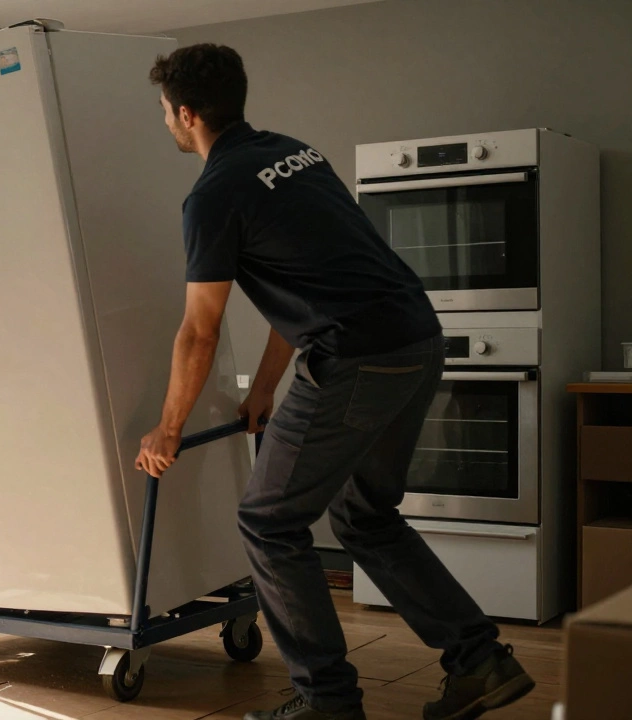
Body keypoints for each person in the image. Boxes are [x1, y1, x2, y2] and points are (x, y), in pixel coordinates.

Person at [135, 44, 534, 720]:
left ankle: (327, 703)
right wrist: (265, 388)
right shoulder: (295, 154)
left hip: (357, 359)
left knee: (268, 521)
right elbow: (310, 282)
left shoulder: (211, 195)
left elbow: (199, 331)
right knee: (363, 513)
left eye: (165, 115)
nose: (167, 125)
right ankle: (480, 662)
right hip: (415, 338)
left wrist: (168, 428)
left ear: (186, 113)